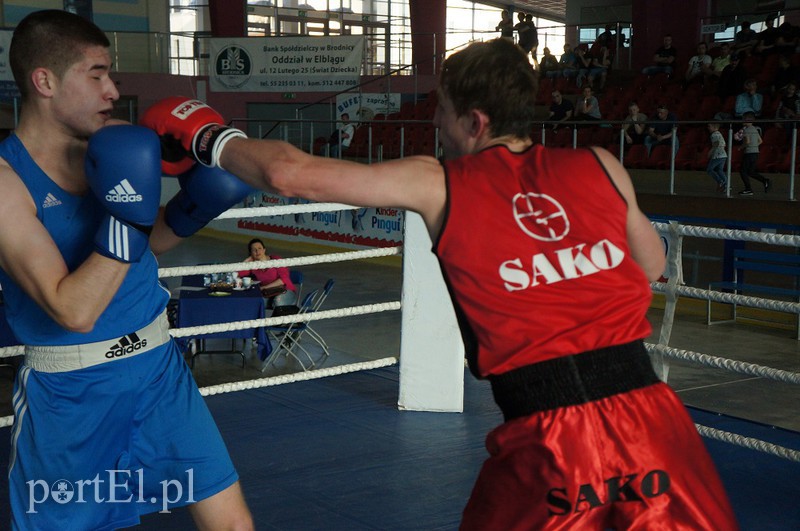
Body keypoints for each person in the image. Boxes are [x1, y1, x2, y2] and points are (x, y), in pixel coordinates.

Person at [142, 38, 739, 530]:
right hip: (654, 419)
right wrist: (560, 270)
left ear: (474, 121)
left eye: (442, 109)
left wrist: (208, 139)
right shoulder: (601, 165)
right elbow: (650, 266)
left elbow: (289, 176)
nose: (434, 120)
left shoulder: (441, 182)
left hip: (550, 435)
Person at [0, 10, 253, 530]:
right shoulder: (6, 183)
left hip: (159, 369)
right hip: (73, 394)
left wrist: (193, 206)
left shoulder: (109, 149)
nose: (112, 90)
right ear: (44, 81)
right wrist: (127, 214)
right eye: (96, 75)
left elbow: (142, 244)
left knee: (232, 523)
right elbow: (74, 308)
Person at [238, 238, 297, 307]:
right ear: (251, 253)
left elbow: (283, 279)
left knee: (278, 301)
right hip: (268, 293)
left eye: (259, 248)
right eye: (254, 250)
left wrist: (264, 287)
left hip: (285, 290)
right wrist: (246, 261)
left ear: (264, 250)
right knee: (254, 302)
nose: (257, 251)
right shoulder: (253, 265)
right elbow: (237, 274)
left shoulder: (275, 259)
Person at [738, 111, 770, 196]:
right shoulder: (755, 129)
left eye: (743, 119)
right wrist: (754, 146)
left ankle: (748, 189)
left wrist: (741, 147)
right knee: (751, 171)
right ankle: (765, 180)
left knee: (743, 171)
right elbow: (760, 141)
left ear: (746, 120)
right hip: (755, 152)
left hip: (749, 153)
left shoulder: (747, 130)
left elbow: (747, 142)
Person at [706, 122, 728, 192]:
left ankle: (720, 181)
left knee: (709, 170)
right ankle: (726, 185)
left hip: (717, 155)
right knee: (719, 170)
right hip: (723, 155)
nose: (708, 128)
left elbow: (716, 143)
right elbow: (724, 144)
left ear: (715, 127)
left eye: (709, 126)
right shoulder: (720, 134)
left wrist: (710, 152)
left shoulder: (714, 135)